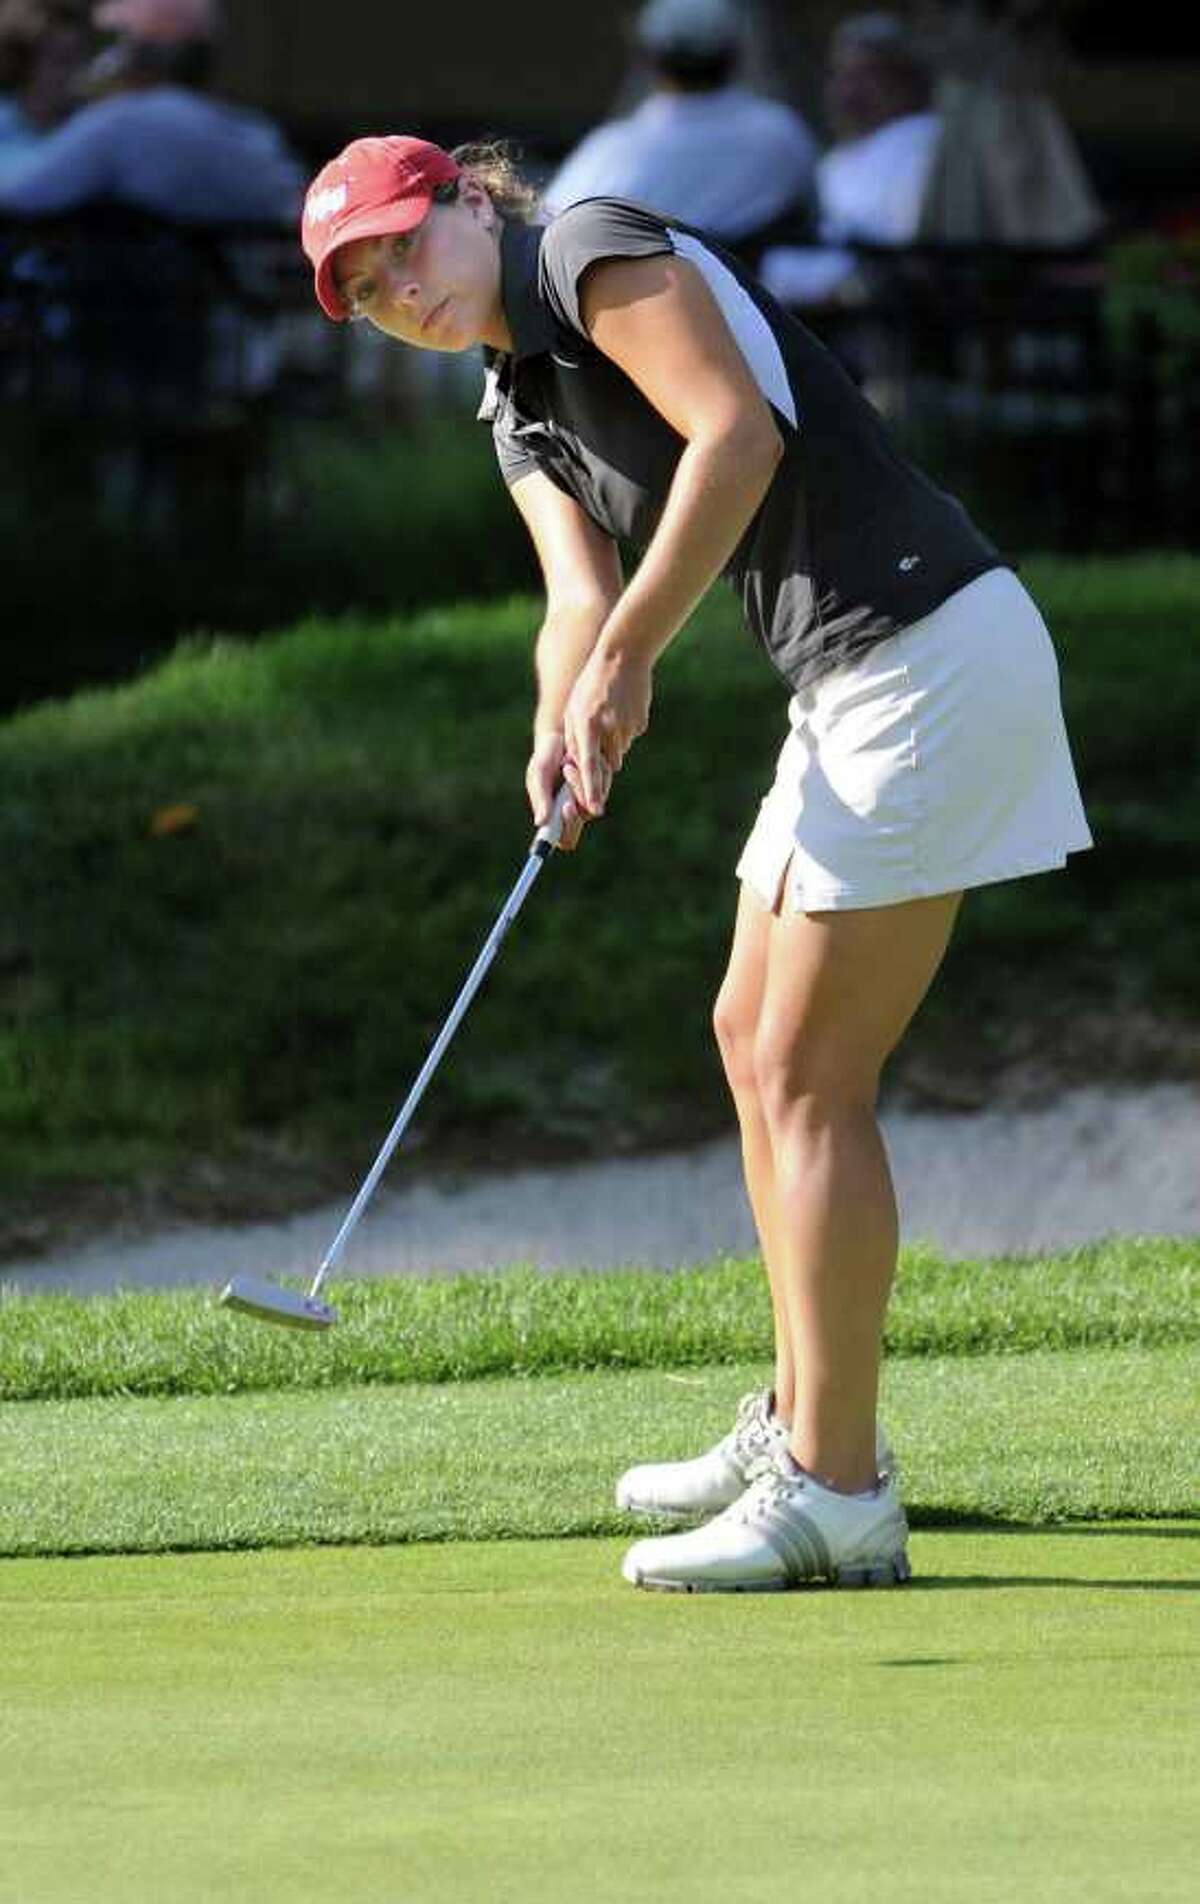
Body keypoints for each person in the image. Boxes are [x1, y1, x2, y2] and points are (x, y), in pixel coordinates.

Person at [299, 134, 1093, 1594]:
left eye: (405, 242)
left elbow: (736, 435)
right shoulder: (516, 405)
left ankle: (838, 1490)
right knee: (750, 1038)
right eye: (363, 286)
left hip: (930, 655)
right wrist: (568, 705)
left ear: (469, 198)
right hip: (856, 682)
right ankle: (805, 1415)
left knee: (806, 1071)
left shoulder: (585, 248)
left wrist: (632, 662)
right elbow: (576, 600)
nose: (398, 286)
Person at [544, 0, 817, 257]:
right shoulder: (782, 132)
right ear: (735, 55)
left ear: (649, 59)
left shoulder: (613, 148)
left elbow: (547, 230)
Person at [0, 0, 303, 221]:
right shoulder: (254, 133)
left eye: (110, 44)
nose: (93, 65)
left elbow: (20, 192)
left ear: (133, 53)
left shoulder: (124, 122)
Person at [760, 12, 943, 308]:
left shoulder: (922, 139)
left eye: (867, 76)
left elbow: (900, 243)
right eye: (841, 75)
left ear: (905, 82)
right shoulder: (837, 160)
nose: (849, 91)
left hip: (877, 311)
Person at [0, 2, 88, 183]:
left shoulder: (91, 126)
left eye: (79, 60)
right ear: (26, 64)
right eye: (61, 61)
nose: (74, 73)